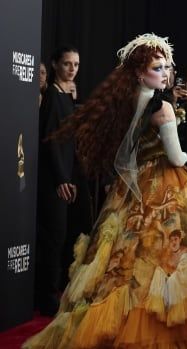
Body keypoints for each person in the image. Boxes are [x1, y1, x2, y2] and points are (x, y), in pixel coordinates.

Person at [23, 33, 187, 349]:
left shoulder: (130, 104)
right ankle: (158, 332)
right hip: (166, 186)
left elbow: (125, 155)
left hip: (133, 189)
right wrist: (185, 154)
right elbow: (175, 157)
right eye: (158, 67)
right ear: (140, 73)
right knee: (164, 260)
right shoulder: (163, 107)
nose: (165, 73)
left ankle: (127, 326)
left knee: (127, 262)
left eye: (167, 67)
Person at [35, 45, 91, 316]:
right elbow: (50, 142)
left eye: (76, 64)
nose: (72, 69)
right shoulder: (52, 99)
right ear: (55, 65)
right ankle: (46, 295)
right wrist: (60, 179)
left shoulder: (65, 97)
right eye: (67, 63)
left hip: (68, 176)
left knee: (64, 236)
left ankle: (54, 290)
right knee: (53, 238)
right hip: (53, 180)